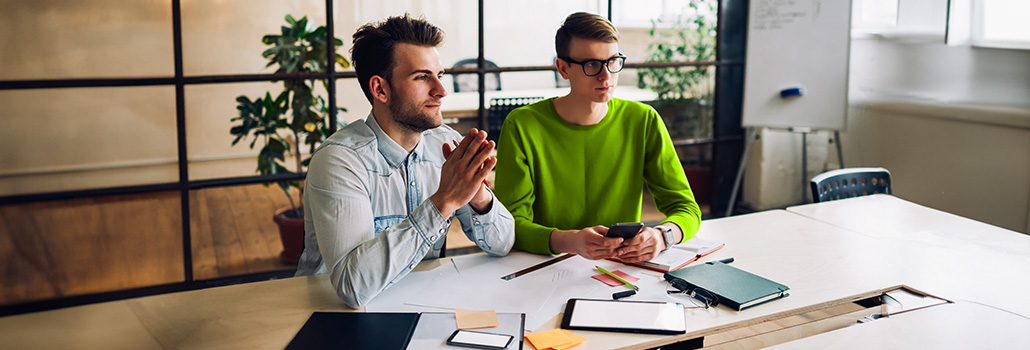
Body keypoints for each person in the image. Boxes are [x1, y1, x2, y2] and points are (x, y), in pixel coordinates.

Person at [296, 14, 515, 308]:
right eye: (422, 77)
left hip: (423, 304)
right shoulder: (339, 161)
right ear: (380, 89)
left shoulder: (445, 144)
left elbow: (503, 243)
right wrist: (443, 201)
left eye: (440, 75)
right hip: (333, 316)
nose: (441, 90)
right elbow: (352, 288)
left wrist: (476, 194)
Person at [494, 12, 701, 263]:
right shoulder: (522, 125)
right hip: (544, 266)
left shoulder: (643, 120)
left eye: (612, 61)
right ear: (563, 68)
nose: (606, 75)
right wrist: (571, 241)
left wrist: (662, 236)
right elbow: (509, 224)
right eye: (592, 64)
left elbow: (687, 209)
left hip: (620, 269)